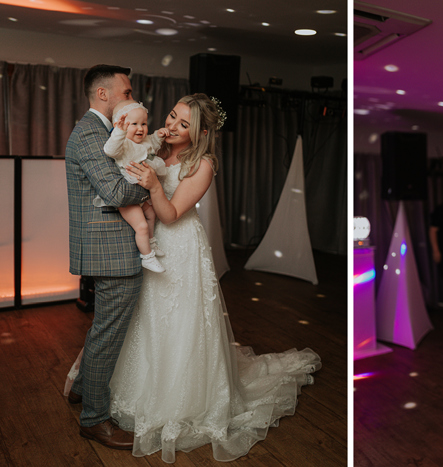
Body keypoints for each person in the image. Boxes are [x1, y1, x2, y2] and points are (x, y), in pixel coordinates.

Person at [67, 93, 321, 463]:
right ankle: (106, 390)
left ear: (200, 131)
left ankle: (177, 398)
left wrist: (154, 184)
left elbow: (170, 214)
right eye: (172, 116)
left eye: (183, 124)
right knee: (142, 320)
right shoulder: (153, 144)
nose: (171, 125)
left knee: (180, 324)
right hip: (149, 245)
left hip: (180, 248)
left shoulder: (203, 164)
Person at [65, 64, 145, 450]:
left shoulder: (104, 131)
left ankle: (81, 388)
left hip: (108, 246)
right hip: (110, 250)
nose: (131, 98)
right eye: (127, 92)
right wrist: (153, 187)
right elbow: (116, 192)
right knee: (108, 333)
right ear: (103, 95)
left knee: (103, 326)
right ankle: (95, 420)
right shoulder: (90, 133)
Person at [93, 99, 169, 273]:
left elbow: (154, 143)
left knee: (152, 214)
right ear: (120, 125)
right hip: (128, 196)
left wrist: (160, 135)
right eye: (134, 124)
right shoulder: (122, 144)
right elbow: (110, 150)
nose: (140, 128)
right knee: (140, 226)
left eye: (143, 123)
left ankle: (151, 242)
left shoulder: (144, 141)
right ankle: (147, 257)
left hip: (142, 193)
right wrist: (119, 132)